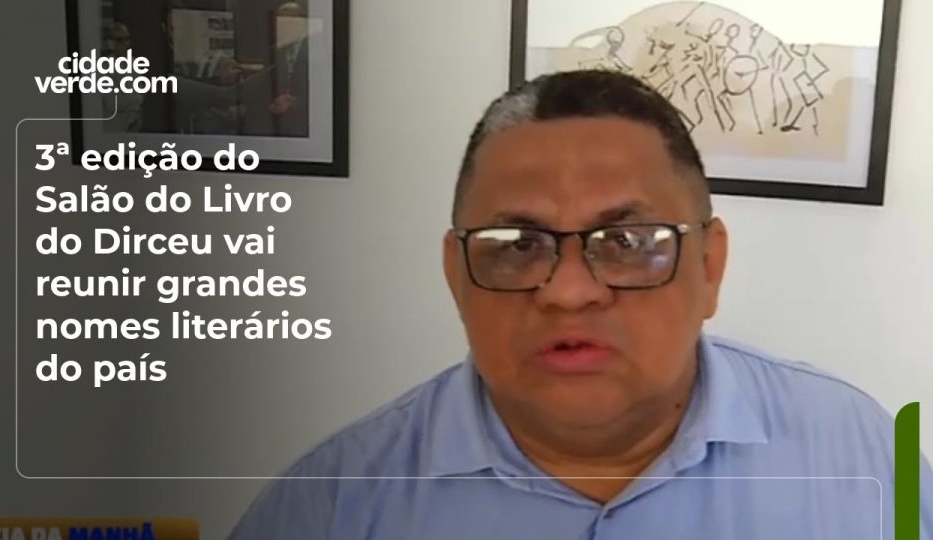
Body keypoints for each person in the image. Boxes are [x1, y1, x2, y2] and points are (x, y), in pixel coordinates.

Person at [229, 70, 933, 539]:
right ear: (455, 275)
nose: (568, 292)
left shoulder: (865, 454)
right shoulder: (333, 504)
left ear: (710, 267)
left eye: (629, 241)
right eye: (516, 245)